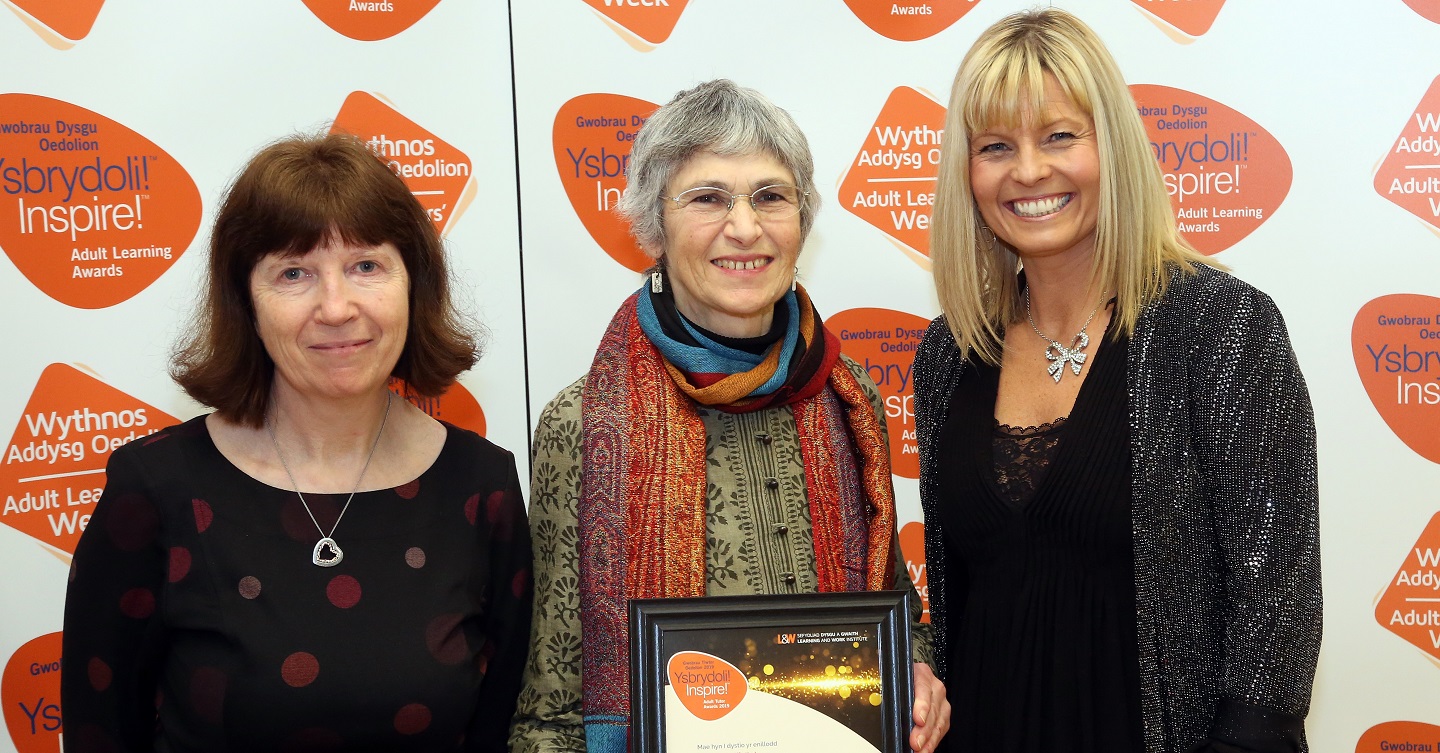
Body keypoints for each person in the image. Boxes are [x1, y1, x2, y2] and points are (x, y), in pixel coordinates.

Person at [914, 9, 1320, 753]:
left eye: (1061, 135)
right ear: (966, 173)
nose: (1029, 170)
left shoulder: (1220, 327)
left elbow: (1278, 605)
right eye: (996, 145)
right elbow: (957, 597)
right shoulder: (950, 351)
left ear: (1114, 146)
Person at [509, 79, 949, 753]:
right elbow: (551, 712)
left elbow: (898, 616)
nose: (744, 227)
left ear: (802, 221)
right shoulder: (584, 424)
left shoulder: (848, 394)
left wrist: (916, 673)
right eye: (708, 198)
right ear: (655, 224)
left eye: (770, 196)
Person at [61, 133, 532, 753]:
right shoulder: (156, 490)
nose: (336, 307)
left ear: (413, 284)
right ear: (246, 303)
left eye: (366, 266)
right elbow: (102, 733)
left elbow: (501, 730)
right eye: (293, 273)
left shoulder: (481, 486)